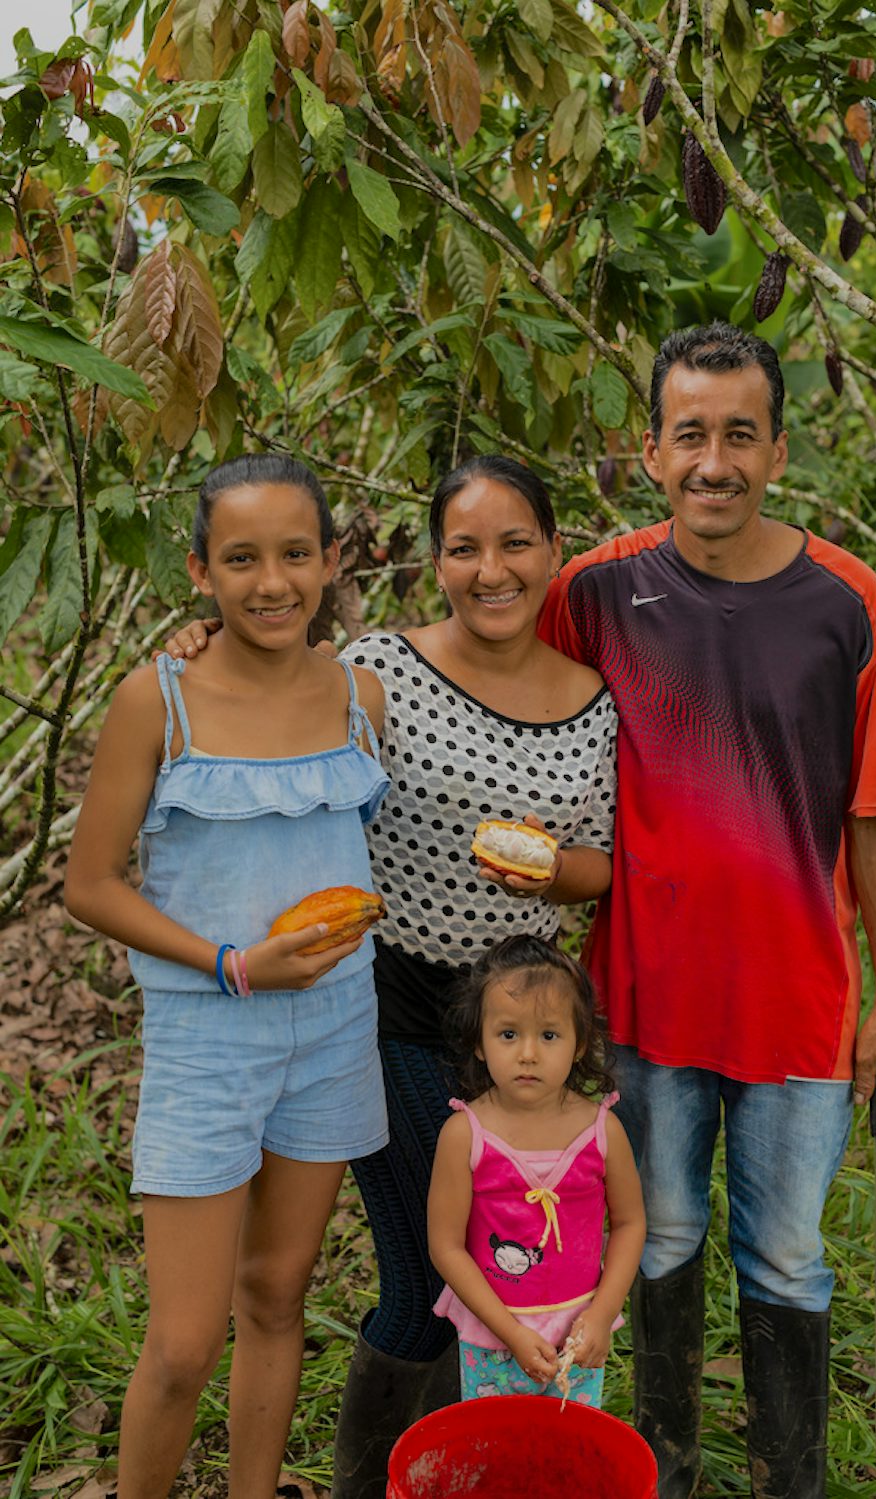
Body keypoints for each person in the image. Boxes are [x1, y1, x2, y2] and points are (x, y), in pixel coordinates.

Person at [161, 453, 619, 1495]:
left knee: (516, 1263)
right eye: (464, 547)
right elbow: (264, 690)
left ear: (555, 552)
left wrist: (554, 866)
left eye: (514, 543)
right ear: (436, 559)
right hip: (390, 1006)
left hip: (521, 1034)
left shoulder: (594, 705)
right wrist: (195, 640)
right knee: (426, 1269)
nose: (490, 568)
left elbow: (605, 866)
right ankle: (384, 1479)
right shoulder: (379, 670)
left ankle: (482, 1465)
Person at [536, 321, 876, 1497]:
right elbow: (481, 664)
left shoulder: (846, 599)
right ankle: (668, 1468)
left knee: (789, 1257)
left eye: (739, 434)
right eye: (689, 433)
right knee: (659, 1240)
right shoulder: (594, 592)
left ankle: (784, 1477)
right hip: (646, 1002)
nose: (714, 462)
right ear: (648, 449)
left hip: (801, 1001)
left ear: (779, 450)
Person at [64, 454, 391, 1499]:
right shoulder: (158, 699)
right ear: (199, 571)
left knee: (279, 1293)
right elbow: (90, 883)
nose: (272, 582)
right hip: (209, 1036)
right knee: (183, 1338)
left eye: (297, 554)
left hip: (337, 1026)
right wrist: (231, 961)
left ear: (332, 560)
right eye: (241, 558)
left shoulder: (360, 692)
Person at [428, 935, 645, 1406]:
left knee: (568, 1453)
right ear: (481, 1044)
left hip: (577, 1338)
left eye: (549, 1035)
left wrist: (602, 1313)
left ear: (580, 1042)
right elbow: (446, 1246)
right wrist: (509, 1332)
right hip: (492, 1336)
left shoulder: (602, 1131)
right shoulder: (465, 1135)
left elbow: (630, 1223)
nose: (528, 1054)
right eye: (509, 1034)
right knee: (497, 1452)